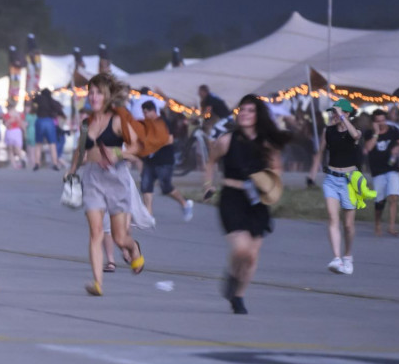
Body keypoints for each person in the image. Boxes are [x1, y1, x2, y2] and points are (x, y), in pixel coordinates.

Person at [204, 95, 290, 314]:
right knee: (241, 249)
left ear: (257, 115)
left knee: (251, 256)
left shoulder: (267, 143)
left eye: (250, 110)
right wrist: (208, 185)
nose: (244, 113)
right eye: (242, 110)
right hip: (232, 197)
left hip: (257, 200)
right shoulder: (226, 140)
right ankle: (232, 275)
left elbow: (276, 168)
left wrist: (270, 183)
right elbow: (211, 162)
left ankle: (239, 296)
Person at [65, 72, 145, 297]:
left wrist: (118, 152)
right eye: (90, 92)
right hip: (92, 180)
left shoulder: (118, 120)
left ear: (107, 95)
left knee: (119, 238)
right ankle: (97, 282)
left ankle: (133, 247)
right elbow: (80, 151)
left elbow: (137, 147)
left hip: (116, 180)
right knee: (96, 232)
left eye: (98, 92)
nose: (93, 96)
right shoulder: (85, 123)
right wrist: (71, 172)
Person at [308, 98, 362, 275]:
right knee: (332, 218)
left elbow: (356, 136)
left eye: (338, 112)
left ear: (346, 114)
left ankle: (347, 256)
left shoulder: (354, 132)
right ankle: (336, 258)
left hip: (350, 180)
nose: (334, 115)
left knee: (348, 225)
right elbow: (320, 152)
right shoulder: (328, 131)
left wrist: (343, 118)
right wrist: (312, 175)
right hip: (331, 178)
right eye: (333, 112)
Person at [139, 101, 194, 221]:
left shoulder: (163, 122)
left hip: (164, 160)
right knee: (145, 185)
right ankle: (148, 215)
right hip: (149, 160)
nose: (144, 115)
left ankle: (185, 204)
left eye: (146, 112)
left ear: (153, 111)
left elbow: (169, 140)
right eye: (143, 113)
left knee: (166, 187)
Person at [362, 109, 399, 236]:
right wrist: (376, 133)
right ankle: (377, 223)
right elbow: (368, 148)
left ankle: (391, 226)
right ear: (374, 122)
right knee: (380, 201)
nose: (381, 123)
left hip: (392, 168)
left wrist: (398, 147)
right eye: (378, 121)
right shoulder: (369, 133)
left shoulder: (394, 130)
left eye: (383, 120)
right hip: (378, 170)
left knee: (393, 197)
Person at [32, 88, 63, 171]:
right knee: (52, 144)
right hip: (49, 122)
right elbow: (60, 109)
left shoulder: (39, 99)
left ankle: (37, 163)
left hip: (40, 121)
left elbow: (33, 99)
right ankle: (55, 164)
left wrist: (37, 93)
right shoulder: (52, 101)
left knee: (38, 144)